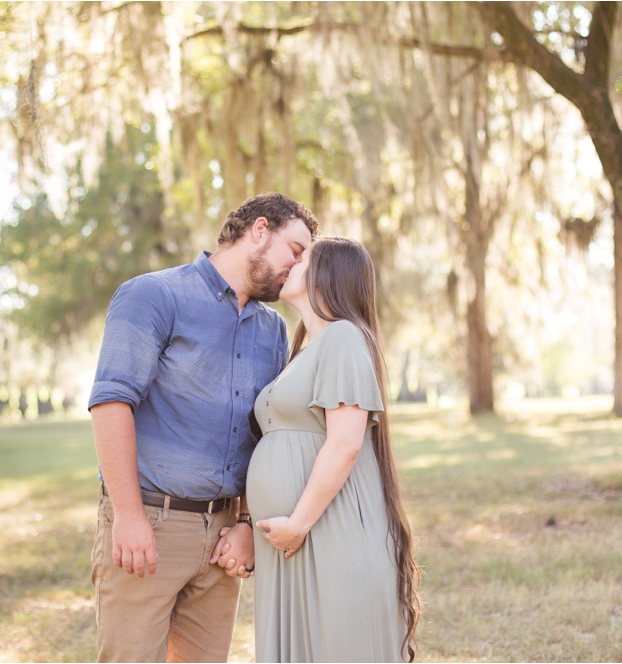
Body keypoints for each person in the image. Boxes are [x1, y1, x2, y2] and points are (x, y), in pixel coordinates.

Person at [88, 192, 319, 662]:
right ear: (259, 230)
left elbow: (266, 434)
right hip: (150, 522)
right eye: (295, 251)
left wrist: (247, 523)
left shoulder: (271, 330)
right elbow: (112, 404)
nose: (297, 268)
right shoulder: (153, 295)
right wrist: (130, 518)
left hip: (223, 538)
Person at [247, 236, 421, 662]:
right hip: (297, 540)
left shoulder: (343, 337)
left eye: (302, 257)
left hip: (327, 531)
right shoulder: (303, 350)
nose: (290, 263)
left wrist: (298, 524)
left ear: (328, 274)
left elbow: (345, 444)